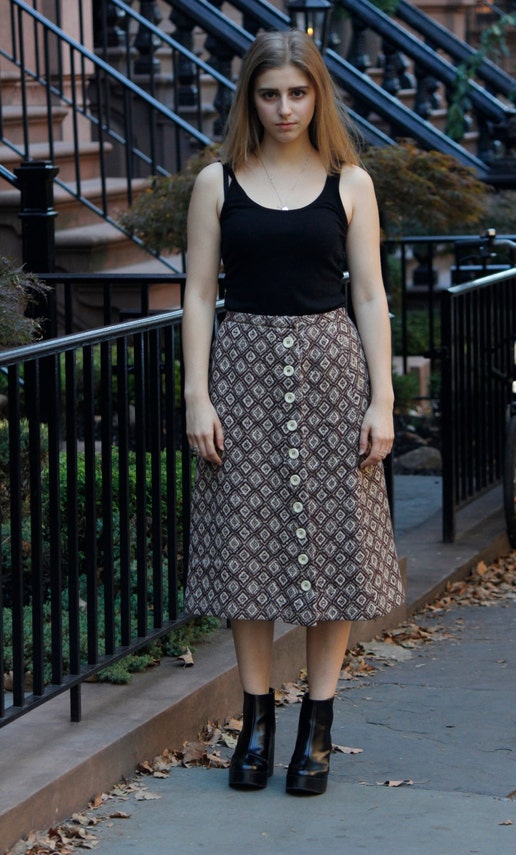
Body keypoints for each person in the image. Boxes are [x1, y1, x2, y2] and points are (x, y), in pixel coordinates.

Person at [182, 29, 404, 796]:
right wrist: (196, 393)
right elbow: (199, 293)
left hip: (332, 373)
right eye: (270, 93)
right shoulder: (219, 180)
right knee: (248, 547)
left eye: (298, 93)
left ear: (318, 97)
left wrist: (382, 397)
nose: (285, 108)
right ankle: (255, 720)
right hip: (240, 372)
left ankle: (318, 723)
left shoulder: (351, 182)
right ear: (251, 96)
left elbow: (370, 294)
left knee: (334, 548)